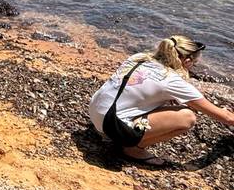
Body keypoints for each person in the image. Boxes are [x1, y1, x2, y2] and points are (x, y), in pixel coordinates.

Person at [89, 35, 234, 166]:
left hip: (96, 112)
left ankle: (114, 134)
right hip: (111, 126)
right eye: (194, 64)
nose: (193, 67)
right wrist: (225, 113)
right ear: (187, 60)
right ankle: (134, 149)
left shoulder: (139, 58)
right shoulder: (171, 80)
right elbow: (226, 118)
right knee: (187, 117)